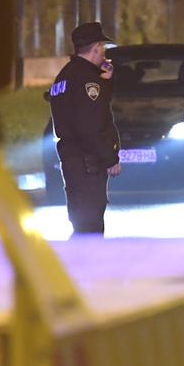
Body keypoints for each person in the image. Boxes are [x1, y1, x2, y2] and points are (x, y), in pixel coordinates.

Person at [49, 22, 121, 235]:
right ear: (97, 48)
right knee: (90, 226)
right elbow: (89, 126)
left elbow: (81, 112)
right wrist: (110, 158)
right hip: (87, 162)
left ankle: (78, 265)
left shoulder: (64, 76)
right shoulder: (87, 80)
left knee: (81, 221)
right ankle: (83, 267)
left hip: (73, 160)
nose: (104, 53)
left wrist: (105, 81)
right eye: (102, 48)